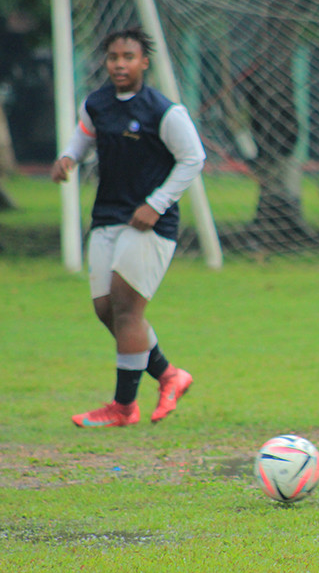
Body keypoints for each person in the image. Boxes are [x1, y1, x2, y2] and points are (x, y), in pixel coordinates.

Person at [51, 27, 205, 428]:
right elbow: (83, 137)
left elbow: (193, 159)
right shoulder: (97, 104)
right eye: (113, 57)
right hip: (107, 216)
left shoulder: (163, 110)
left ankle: (123, 408)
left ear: (144, 62)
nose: (120, 64)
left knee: (126, 306)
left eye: (128, 57)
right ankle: (170, 375)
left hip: (149, 223)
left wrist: (155, 204)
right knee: (107, 310)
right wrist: (68, 157)